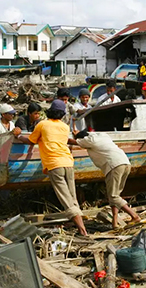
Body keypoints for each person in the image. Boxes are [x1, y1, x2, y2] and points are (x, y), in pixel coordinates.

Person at [19, 100, 88, 236]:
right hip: (68, 162)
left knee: (65, 198)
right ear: (62, 114)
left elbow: (31, 140)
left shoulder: (42, 124)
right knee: (72, 196)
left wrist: (18, 136)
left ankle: (82, 230)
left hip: (54, 164)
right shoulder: (64, 127)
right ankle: (75, 221)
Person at [73, 130, 141, 229]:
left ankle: (134, 216)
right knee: (115, 196)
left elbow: (72, 141)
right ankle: (115, 222)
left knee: (113, 197)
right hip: (125, 163)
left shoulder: (88, 141)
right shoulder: (101, 136)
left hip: (113, 166)